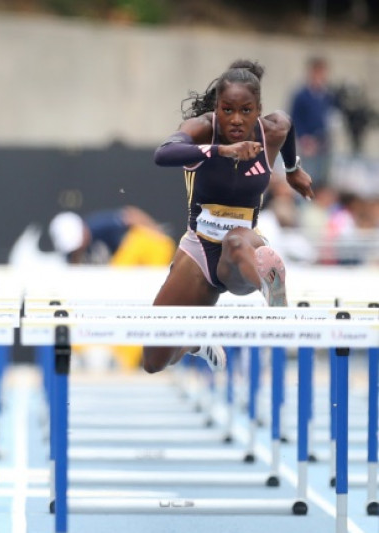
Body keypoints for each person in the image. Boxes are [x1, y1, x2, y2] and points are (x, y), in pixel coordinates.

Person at [146, 59, 314, 374]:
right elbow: (163, 154)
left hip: (243, 249)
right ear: (217, 108)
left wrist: (293, 170)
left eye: (246, 110)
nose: (236, 119)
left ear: (259, 109)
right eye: (227, 110)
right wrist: (221, 151)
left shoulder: (273, 130)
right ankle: (196, 342)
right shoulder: (202, 130)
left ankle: (271, 290)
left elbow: (289, 126)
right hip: (198, 249)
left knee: (236, 243)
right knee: (154, 361)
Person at [48, 206, 175, 267]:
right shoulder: (71, 254)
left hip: (145, 253)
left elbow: (131, 215)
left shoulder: (98, 225)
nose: (79, 246)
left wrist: (155, 230)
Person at [289, 56, 335, 188]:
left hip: (324, 141)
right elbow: (294, 118)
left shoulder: (327, 95)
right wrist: (303, 137)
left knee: (324, 176)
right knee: (310, 175)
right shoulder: (301, 95)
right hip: (308, 141)